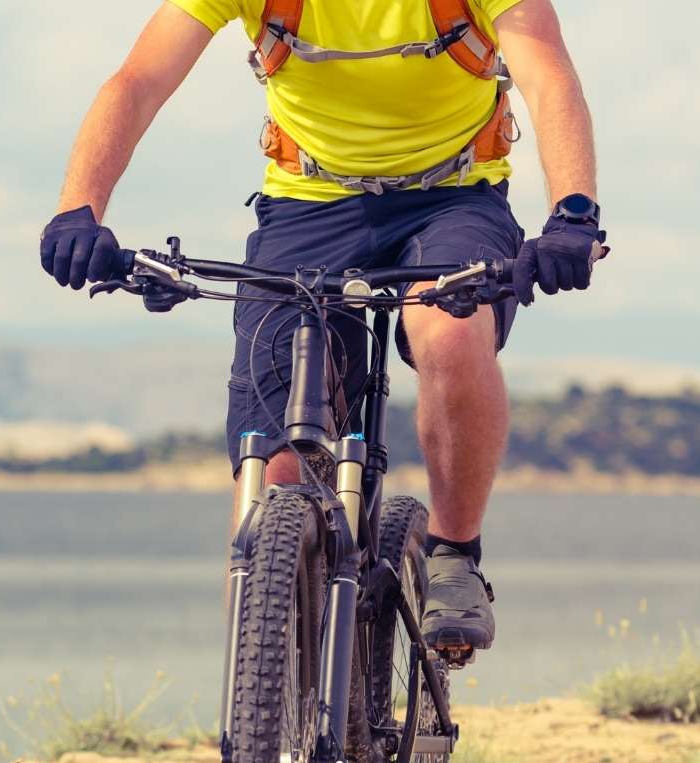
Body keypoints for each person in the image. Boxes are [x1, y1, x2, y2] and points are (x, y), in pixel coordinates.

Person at [37, 0, 609, 658]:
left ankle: (454, 553)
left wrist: (572, 213)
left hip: (454, 197)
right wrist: (78, 209)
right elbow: (137, 82)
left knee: (448, 330)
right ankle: (263, 695)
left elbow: (548, 76)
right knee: (273, 462)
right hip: (308, 206)